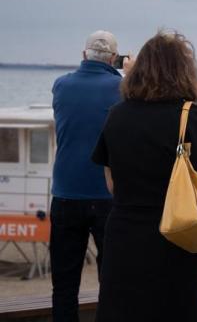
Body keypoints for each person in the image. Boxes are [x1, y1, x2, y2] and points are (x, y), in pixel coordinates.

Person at [91, 30, 197, 322]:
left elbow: (111, 183)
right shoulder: (191, 117)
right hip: (174, 238)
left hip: (123, 237)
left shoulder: (117, 115)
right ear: (184, 72)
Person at [49, 30, 124, 322]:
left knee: (64, 285)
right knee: (113, 281)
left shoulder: (61, 85)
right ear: (114, 58)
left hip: (66, 192)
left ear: (83, 55)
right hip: (107, 193)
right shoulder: (121, 87)